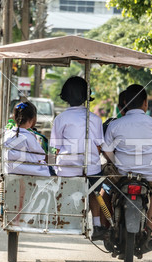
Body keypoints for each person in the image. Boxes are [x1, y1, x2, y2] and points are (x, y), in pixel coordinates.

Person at [102, 84, 152, 241]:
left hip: (121, 175)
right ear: (145, 103)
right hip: (150, 176)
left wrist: (116, 162)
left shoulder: (115, 124)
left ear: (125, 102)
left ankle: (106, 225)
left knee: (101, 185)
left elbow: (107, 151)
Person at [49, 76, 106, 240]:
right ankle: (97, 225)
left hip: (66, 169)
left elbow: (56, 148)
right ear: (86, 96)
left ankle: (60, 217)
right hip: (90, 169)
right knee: (95, 192)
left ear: (65, 95)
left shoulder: (60, 119)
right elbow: (98, 146)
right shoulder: (95, 119)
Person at [3, 101, 51, 176]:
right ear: (32, 119)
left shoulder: (7, 134)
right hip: (31, 172)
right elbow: (41, 156)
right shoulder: (29, 137)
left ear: (15, 117)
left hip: (9, 170)